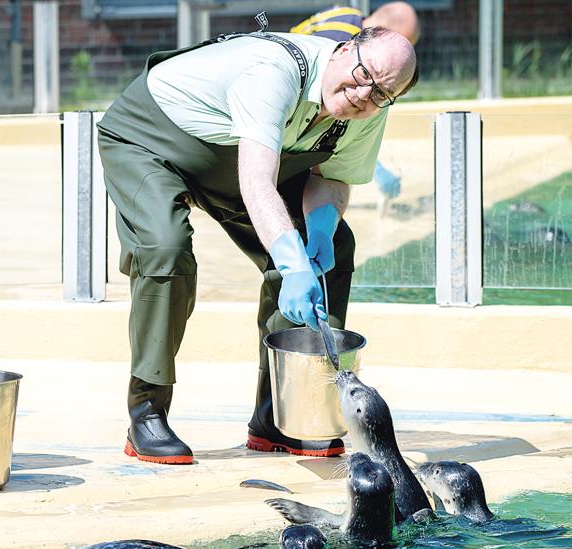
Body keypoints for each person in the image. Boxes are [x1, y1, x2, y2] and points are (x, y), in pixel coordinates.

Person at [97, 20, 417, 463]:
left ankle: (280, 416)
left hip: (235, 162)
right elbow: (257, 181)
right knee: (166, 250)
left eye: (382, 93)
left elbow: (334, 177)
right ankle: (147, 412)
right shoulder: (275, 69)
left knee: (334, 249)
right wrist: (292, 264)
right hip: (152, 142)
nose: (366, 95)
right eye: (364, 77)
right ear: (344, 51)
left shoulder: (368, 110)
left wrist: (319, 232)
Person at [293, 1, 422, 201]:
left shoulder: (345, 14)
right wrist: (378, 173)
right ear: (385, 37)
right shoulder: (346, 49)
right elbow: (337, 127)